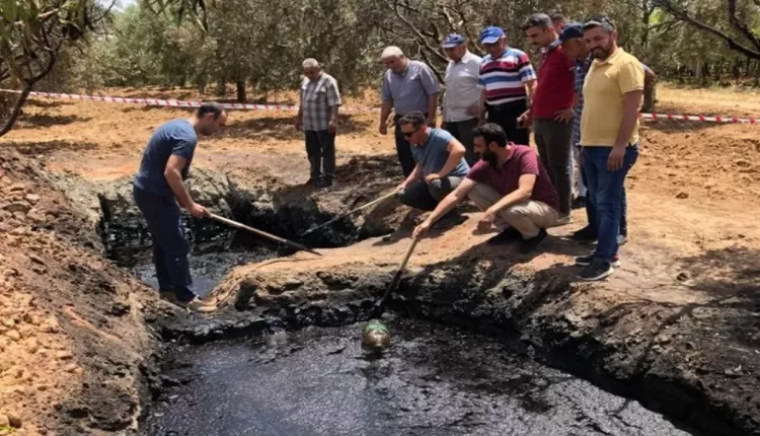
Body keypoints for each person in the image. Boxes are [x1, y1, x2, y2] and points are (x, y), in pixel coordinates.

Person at [133, 103, 228, 312]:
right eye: (220, 125)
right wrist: (190, 204)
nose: (219, 130)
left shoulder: (177, 125)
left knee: (163, 241)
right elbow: (171, 172)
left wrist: (176, 197)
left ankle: (168, 290)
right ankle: (186, 297)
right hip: (155, 193)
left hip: (148, 190)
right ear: (209, 117)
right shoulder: (187, 137)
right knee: (177, 244)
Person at [413, 123, 559, 254]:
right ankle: (511, 229)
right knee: (473, 188)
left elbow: (524, 191)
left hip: (544, 209)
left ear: (493, 145)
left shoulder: (524, 154)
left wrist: (491, 210)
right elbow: (457, 194)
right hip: (515, 207)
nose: (475, 151)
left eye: (478, 146)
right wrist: (429, 221)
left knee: (511, 210)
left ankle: (533, 235)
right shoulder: (486, 163)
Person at [561, 22, 644, 246]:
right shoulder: (595, 66)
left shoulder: (626, 64)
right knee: (600, 198)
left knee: (608, 201)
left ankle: (607, 253)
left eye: (598, 39)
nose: (592, 44)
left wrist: (620, 146)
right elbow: (588, 108)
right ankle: (605, 242)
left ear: (613, 35)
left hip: (612, 147)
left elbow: (631, 109)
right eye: (588, 41)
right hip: (590, 144)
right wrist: (583, 146)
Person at [521, 13, 576, 224]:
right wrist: (531, 112)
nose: (532, 41)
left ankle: (563, 211)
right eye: (529, 37)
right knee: (546, 164)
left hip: (558, 120)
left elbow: (580, 79)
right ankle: (551, 206)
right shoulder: (547, 53)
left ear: (548, 29)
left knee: (559, 165)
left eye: (535, 35)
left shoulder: (565, 51)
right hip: (541, 120)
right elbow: (543, 87)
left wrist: (572, 107)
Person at [396, 112, 470, 222]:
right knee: (404, 195)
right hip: (435, 184)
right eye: (404, 135)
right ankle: (440, 212)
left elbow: (459, 150)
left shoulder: (440, 136)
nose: (406, 138)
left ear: (422, 129)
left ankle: (451, 215)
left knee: (436, 184)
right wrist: (405, 184)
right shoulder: (415, 144)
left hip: (459, 181)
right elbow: (419, 166)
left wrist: (440, 174)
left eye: (409, 134)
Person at [379, 46, 441, 177]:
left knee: (425, 153)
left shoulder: (420, 68)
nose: (390, 66)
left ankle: (430, 186)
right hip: (402, 120)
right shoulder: (389, 76)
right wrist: (382, 122)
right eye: (387, 63)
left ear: (402, 57)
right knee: (405, 155)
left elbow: (432, 93)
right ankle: (410, 187)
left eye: (392, 61)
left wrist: (430, 118)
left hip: (420, 119)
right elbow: (387, 100)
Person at [477, 26, 536, 146]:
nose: (491, 48)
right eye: (487, 45)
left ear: (504, 40)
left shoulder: (518, 56)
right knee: (496, 148)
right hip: (494, 113)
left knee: (518, 148)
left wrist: (531, 110)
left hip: (515, 111)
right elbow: (484, 91)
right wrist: (481, 115)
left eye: (494, 43)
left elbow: (532, 84)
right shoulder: (484, 62)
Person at [296, 58, 342, 188]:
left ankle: (328, 177)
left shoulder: (329, 81)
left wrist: (333, 120)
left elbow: (335, 103)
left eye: (312, 72)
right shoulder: (304, 81)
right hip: (309, 123)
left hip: (324, 123)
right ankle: (315, 176)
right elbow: (302, 102)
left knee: (327, 150)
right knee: (312, 151)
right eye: (307, 72)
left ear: (318, 69)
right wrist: (299, 118)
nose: (310, 75)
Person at [441, 33, 483, 166]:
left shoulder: (476, 63)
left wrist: (481, 108)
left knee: (471, 153)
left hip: (469, 119)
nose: (449, 53)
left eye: (451, 49)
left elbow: (486, 87)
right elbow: (449, 91)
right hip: (451, 118)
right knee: (454, 153)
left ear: (463, 47)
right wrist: (444, 116)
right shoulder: (451, 65)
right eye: (446, 50)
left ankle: (475, 183)